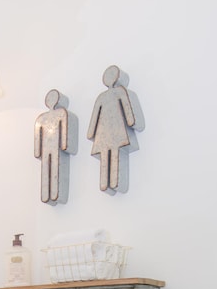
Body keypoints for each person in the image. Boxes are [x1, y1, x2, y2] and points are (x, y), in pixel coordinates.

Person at [87, 65, 143, 193]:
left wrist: (91, 134)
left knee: (109, 157)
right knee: (111, 156)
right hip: (114, 132)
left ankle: (109, 183)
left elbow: (93, 121)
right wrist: (133, 122)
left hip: (106, 133)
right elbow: (130, 115)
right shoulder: (118, 93)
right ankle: (111, 183)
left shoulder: (104, 96)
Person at [34, 89, 76, 204]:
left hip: (55, 148)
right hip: (47, 148)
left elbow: (65, 132)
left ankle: (52, 194)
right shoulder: (42, 118)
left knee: (54, 169)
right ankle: (47, 194)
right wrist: (38, 152)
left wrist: (64, 146)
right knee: (46, 170)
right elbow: (38, 135)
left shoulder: (61, 114)